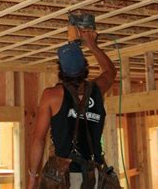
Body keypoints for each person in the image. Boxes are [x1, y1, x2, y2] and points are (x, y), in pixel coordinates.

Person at [27, 30, 117, 189]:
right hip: (95, 177)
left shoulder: (52, 96)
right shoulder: (97, 90)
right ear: (85, 67)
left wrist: (33, 177)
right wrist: (92, 44)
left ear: (61, 70)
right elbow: (110, 71)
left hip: (67, 179)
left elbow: (38, 139)